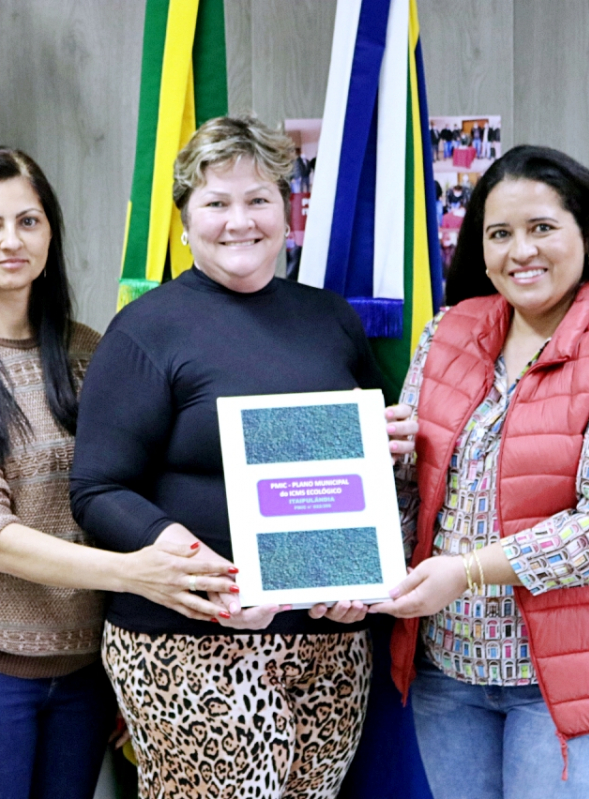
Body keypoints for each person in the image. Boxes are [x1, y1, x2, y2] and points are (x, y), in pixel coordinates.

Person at [70, 116, 418, 799]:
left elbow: (355, 472)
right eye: (216, 202)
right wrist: (203, 572)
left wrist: (387, 452)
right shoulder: (146, 330)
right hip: (189, 638)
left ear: (287, 212)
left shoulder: (330, 319)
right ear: (185, 221)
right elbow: (98, 489)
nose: (240, 221)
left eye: (258, 199)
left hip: (325, 641)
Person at [373, 145, 589, 798]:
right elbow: (413, 491)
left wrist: (467, 571)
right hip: (450, 672)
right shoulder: (447, 333)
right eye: (500, 234)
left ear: (587, 237)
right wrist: (376, 478)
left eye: (541, 228)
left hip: (582, 683)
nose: (521, 251)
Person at [0, 148, 240, 799]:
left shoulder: (92, 351)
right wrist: (136, 574)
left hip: (85, 669)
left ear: (50, 232)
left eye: (28, 221)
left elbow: (147, 479)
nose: (12, 241)